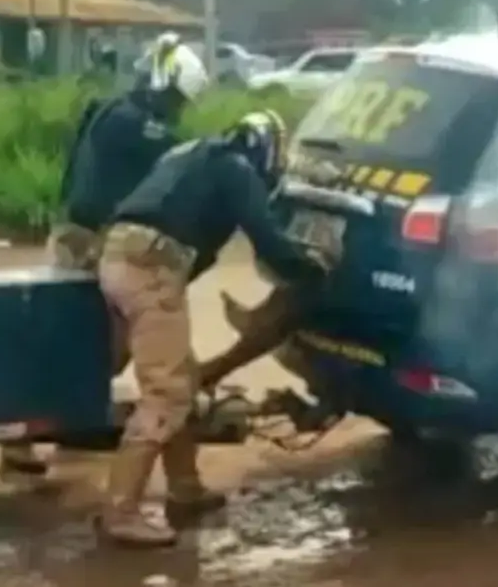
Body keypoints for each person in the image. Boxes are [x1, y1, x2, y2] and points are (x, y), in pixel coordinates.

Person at [94, 109, 332, 546]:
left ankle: (186, 488)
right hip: (153, 264)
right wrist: (310, 270)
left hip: (118, 252)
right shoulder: (237, 168)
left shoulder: (191, 153)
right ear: (266, 151)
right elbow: (268, 240)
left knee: (180, 376)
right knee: (166, 394)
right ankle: (121, 512)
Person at [0, 75, 196, 477]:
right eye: (177, 99)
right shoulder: (132, 121)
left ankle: (56, 420)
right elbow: (173, 152)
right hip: (89, 240)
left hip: (78, 231)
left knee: (80, 338)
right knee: (96, 340)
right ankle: (24, 431)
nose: (179, 109)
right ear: (161, 86)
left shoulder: (108, 109)